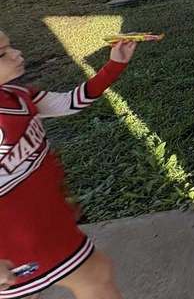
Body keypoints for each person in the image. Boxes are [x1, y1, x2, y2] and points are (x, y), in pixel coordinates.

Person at [0, 29, 138, 299]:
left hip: (48, 225)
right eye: (2, 54)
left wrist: (115, 64)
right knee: (97, 278)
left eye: (10, 46)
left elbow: (71, 102)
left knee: (98, 276)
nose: (17, 54)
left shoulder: (16, 95)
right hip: (14, 243)